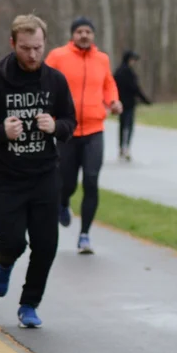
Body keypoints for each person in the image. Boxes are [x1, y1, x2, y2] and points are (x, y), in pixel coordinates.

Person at [0, 14, 76, 329]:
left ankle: (29, 303)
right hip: (8, 178)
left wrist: (56, 126)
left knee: (46, 245)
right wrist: (0, 131)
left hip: (44, 175)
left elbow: (70, 120)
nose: (32, 55)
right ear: (13, 44)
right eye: (25, 48)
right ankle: (4, 263)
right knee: (13, 241)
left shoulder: (55, 80)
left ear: (44, 44)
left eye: (38, 48)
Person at [44, 16, 122, 254]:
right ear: (72, 35)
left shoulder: (102, 59)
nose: (84, 35)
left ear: (93, 35)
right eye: (79, 31)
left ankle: (85, 235)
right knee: (66, 183)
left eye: (88, 31)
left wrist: (113, 101)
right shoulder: (58, 56)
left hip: (94, 129)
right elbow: (43, 82)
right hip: (66, 131)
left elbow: (108, 84)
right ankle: (64, 203)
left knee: (91, 180)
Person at [113, 50, 152, 161]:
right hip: (129, 103)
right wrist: (145, 100)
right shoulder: (129, 73)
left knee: (122, 125)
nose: (133, 62)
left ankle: (121, 147)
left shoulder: (118, 71)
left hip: (120, 102)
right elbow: (135, 88)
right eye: (133, 60)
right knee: (128, 125)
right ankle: (126, 147)